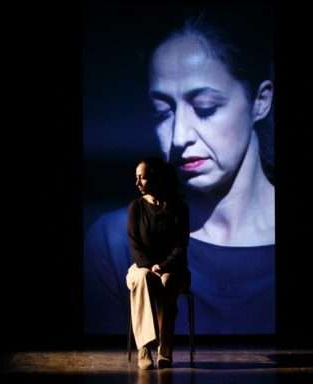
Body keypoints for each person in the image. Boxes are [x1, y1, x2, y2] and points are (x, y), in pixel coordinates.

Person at [84, 6, 275, 338]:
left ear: (260, 101)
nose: (178, 137)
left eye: (205, 108)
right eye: (162, 112)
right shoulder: (112, 240)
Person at [126, 157, 190, 369]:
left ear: (156, 178)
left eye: (142, 178)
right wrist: (149, 267)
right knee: (142, 278)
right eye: (136, 178)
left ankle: (165, 348)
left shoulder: (179, 208)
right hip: (142, 267)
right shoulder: (136, 208)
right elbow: (135, 246)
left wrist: (162, 267)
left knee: (168, 281)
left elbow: (181, 246)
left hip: (172, 268)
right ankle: (144, 347)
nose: (137, 183)